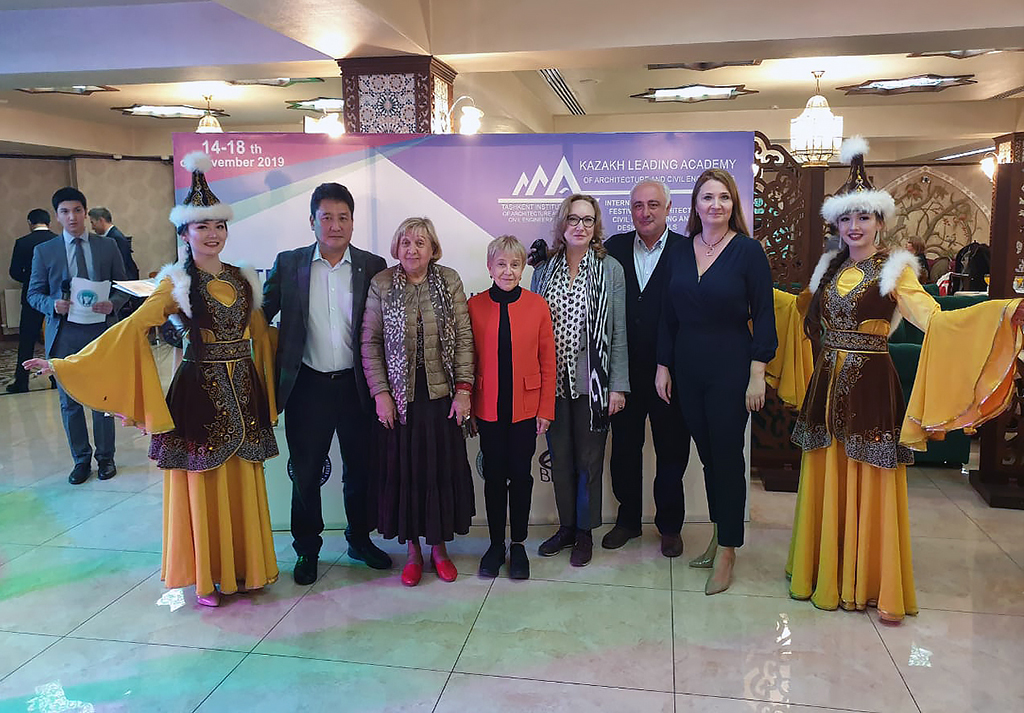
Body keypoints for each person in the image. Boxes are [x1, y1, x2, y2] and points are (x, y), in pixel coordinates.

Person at [784, 137, 1024, 623]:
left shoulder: (895, 270)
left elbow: (933, 319)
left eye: (864, 217)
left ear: (880, 222)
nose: (854, 226)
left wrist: (999, 314)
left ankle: (866, 580)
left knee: (868, 477)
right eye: (846, 219)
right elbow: (797, 310)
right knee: (827, 470)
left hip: (871, 386)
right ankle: (823, 571)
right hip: (826, 384)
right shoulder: (829, 268)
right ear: (836, 224)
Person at [25, 152, 280, 607]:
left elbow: (262, 335)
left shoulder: (243, 279)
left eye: (219, 226)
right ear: (184, 234)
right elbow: (131, 328)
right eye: (202, 227)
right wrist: (65, 363)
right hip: (199, 394)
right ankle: (208, 577)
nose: (213, 234)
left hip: (244, 392)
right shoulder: (176, 282)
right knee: (204, 481)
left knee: (243, 476)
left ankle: (246, 568)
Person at [262, 182, 391, 586]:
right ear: (312, 221)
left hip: (357, 386)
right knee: (305, 472)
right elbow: (259, 316)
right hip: (307, 386)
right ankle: (307, 549)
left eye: (343, 217)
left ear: (352, 222)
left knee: (361, 469)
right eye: (327, 217)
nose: (335, 225)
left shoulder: (373, 265)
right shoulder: (289, 264)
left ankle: (359, 539)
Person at [655, 169, 776, 595]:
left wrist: (757, 373)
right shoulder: (679, 250)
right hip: (687, 368)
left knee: (725, 458)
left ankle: (728, 548)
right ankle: (719, 533)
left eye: (724, 197)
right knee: (707, 457)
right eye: (707, 197)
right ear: (695, 204)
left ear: (733, 205)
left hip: (731, 367)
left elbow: (764, 315)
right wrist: (663, 366)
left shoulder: (748, 251)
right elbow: (667, 316)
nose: (715, 205)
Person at [361, 217, 475, 586]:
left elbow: (464, 337)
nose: (412, 249)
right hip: (399, 400)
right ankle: (413, 552)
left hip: (441, 399)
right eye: (406, 242)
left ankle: (439, 549)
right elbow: (370, 343)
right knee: (406, 474)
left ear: (433, 248)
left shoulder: (449, 280)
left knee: (438, 474)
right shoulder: (381, 283)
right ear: (396, 247)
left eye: (420, 242)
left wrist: (464, 390)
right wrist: (381, 394)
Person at [531, 194, 629, 567]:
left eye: (588, 220)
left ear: (596, 226)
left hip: (594, 383)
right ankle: (567, 528)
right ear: (563, 224)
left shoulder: (610, 269)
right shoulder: (544, 270)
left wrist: (617, 386)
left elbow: (618, 331)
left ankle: (585, 532)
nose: (581, 226)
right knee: (560, 459)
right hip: (552, 384)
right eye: (574, 219)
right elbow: (533, 330)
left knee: (589, 461)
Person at [603, 179, 690, 557]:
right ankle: (628, 520)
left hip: (672, 371)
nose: (645, 212)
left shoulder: (688, 250)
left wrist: (668, 363)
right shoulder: (614, 248)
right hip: (624, 371)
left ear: (668, 209)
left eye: (653, 205)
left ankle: (670, 526)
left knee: (672, 449)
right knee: (624, 448)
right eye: (638, 205)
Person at [468, 235, 556, 580]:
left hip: (526, 409)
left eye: (515, 265)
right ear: (490, 268)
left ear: (523, 269)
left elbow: (548, 362)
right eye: (501, 264)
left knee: (520, 477)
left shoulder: (537, 306)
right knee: (493, 478)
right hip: (488, 408)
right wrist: (470, 406)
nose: (508, 271)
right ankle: (494, 545)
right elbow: (467, 360)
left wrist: (545, 408)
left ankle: (517, 544)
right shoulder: (474, 306)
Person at [27, 187, 127, 484]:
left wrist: (114, 303)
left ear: (85, 212)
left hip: (101, 332)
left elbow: (123, 285)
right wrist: (51, 305)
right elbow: (33, 293)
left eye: (77, 210)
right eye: (65, 212)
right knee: (69, 402)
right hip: (65, 334)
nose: (72, 217)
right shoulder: (45, 251)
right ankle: (81, 460)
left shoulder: (107, 246)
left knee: (103, 399)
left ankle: (106, 458)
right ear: (57, 216)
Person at [7, 209, 57, 393]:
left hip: (32, 297)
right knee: (56, 339)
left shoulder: (22, 242)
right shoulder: (58, 240)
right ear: (49, 222)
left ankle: (21, 382)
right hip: (55, 296)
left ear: (30, 222)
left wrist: (31, 281)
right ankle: (57, 379)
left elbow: (14, 272)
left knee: (27, 340)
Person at [88, 207, 140, 280]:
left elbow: (120, 265)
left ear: (101, 220)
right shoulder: (112, 235)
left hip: (124, 281)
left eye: (92, 223)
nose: (92, 228)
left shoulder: (115, 238)